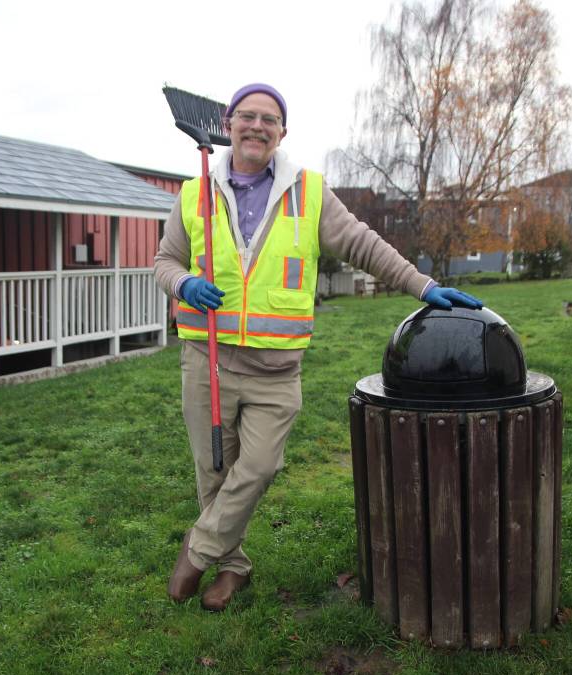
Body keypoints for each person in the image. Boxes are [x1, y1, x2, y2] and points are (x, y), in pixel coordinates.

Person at [153, 83, 482, 612]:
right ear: (228, 124)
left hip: (274, 371)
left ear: (282, 133)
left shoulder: (307, 193)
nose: (257, 126)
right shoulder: (194, 194)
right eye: (247, 117)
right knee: (214, 472)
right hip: (207, 363)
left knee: (257, 467)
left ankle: (197, 552)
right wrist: (183, 283)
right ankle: (233, 569)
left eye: (269, 119)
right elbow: (165, 261)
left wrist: (421, 285)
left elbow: (362, 243)